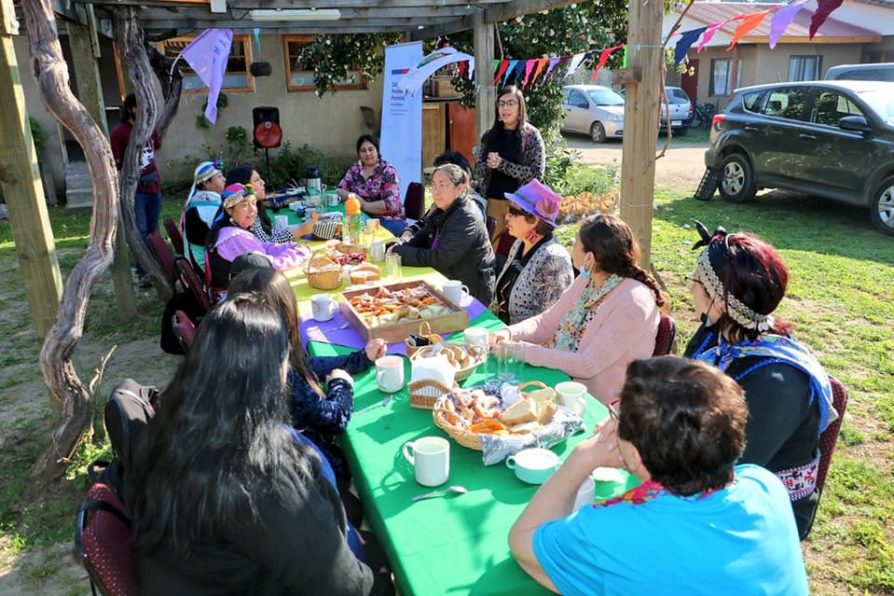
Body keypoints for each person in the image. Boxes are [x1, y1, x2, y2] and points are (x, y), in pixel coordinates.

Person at [128, 295, 387, 594]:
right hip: (239, 578)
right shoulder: (264, 476)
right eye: (285, 360)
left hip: (197, 573)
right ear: (272, 374)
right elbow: (346, 589)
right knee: (384, 556)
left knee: (355, 515)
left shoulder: (175, 425)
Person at [509, 356, 810, 595]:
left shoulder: (611, 532)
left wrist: (583, 457)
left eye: (617, 415)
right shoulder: (764, 484)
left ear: (638, 456)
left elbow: (522, 542)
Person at [683, 222, 836, 539]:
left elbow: (729, 470)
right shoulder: (715, 335)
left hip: (761, 511)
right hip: (701, 468)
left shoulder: (776, 382)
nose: (690, 287)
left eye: (696, 281)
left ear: (722, 301)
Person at [228, 267, 387, 486]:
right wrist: (341, 385)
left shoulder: (241, 348)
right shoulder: (276, 375)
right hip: (299, 477)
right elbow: (333, 420)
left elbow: (304, 365)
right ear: (286, 312)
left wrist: (359, 359)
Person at [490, 214, 664, 404]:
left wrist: (523, 352)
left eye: (575, 243)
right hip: (561, 382)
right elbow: (547, 322)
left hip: (599, 405)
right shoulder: (588, 278)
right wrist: (509, 334)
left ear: (590, 258)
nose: (570, 248)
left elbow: (587, 364)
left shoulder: (633, 303)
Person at [391, 164, 495, 305]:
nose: (436, 191)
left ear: (459, 189)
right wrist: (397, 246)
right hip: (447, 277)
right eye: (433, 185)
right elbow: (422, 234)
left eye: (442, 185)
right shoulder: (444, 207)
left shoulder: (466, 216)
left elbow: (442, 258)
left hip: (469, 290)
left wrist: (400, 253)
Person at [491, 179, 573, 324]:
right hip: (504, 330)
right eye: (508, 210)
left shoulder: (553, 259)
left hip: (526, 342)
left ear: (534, 220)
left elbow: (547, 322)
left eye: (514, 212)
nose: (507, 216)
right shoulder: (519, 243)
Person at [472, 86, 545, 248]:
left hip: (520, 207)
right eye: (502, 103)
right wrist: (489, 166)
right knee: (493, 249)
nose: (505, 108)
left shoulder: (531, 136)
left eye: (511, 103)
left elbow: (536, 173)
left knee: (519, 248)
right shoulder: (489, 136)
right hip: (492, 203)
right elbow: (477, 171)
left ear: (520, 107)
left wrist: (502, 164)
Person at [206, 183, 310, 292]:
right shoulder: (235, 237)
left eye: (254, 203)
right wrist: (299, 253)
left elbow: (264, 247)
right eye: (244, 205)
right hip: (239, 301)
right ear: (229, 210)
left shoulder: (232, 230)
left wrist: (292, 246)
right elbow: (271, 267)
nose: (252, 210)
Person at [110, 93, 163, 285]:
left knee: (153, 230)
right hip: (136, 191)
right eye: (141, 107)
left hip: (153, 188)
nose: (145, 111)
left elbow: (156, 145)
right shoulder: (120, 132)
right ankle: (144, 271)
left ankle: (157, 266)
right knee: (140, 231)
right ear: (131, 108)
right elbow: (115, 162)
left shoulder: (149, 128)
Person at [399, 151, 486, 242]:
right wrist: (408, 232)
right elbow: (424, 222)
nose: (437, 190)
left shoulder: (472, 206)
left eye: (443, 183)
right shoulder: (446, 198)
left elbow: (447, 248)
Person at [336, 135, 405, 235]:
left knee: (356, 235)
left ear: (377, 151)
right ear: (359, 154)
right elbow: (340, 190)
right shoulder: (355, 170)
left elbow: (391, 204)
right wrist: (354, 197)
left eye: (370, 149)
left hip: (388, 220)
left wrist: (364, 205)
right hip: (361, 216)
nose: (367, 154)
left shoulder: (388, 171)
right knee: (341, 230)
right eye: (363, 150)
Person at [227, 164, 313, 243]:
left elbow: (269, 233)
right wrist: (300, 231)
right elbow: (266, 244)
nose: (263, 182)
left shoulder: (256, 207)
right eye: (257, 180)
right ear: (244, 187)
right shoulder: (245, 214)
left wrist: (301, 228)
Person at [180, 160, 226, 271]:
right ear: (206, 183)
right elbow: (223, 237)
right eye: (219, 177)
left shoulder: (203, 201)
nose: (224, 179)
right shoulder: (206, 207)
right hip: (204, 266)